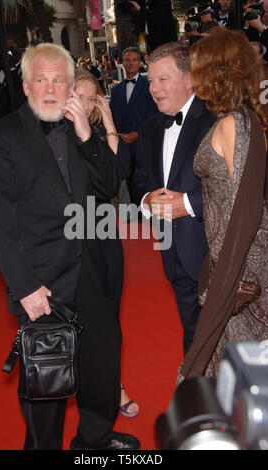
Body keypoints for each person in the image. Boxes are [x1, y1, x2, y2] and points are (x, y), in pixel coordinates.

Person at [0, 43, 140, 451]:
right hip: (42, 282)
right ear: (27, 85)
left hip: (93, 268)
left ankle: (95, 439)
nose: (50, 89)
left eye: (58, 80)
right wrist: (24, 287)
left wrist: (88, 135)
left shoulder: (80, 128)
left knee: (102, 364)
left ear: (70, 85)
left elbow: (107, 187)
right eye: (41, 80)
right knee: (45, 380)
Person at [177, 28, 268, 383]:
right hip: (235, 264)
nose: (193, 77)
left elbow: (242, 212)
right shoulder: (243, 118)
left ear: (218, 71)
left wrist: (225, 286)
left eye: (197, 68)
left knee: (243, 378)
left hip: (243, 271)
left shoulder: (236, 124)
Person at [133, 42, 215, 355]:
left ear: (189, 79)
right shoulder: (149, 128)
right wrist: (146, 201)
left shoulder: (216, 119)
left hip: (216, 253)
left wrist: (188, 204)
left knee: (228, 339)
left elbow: (236, 184)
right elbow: (140, 178)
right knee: (193, 337)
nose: (154, 89)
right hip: (175, 256)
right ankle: (199, 396)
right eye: (150, 80)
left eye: (162, 79)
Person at [73, 68, 139, 418]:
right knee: (82, 320)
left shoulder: (96, 136)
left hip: (105, 233)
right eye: (79, 97)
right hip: (74, 239)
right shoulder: (60, 141)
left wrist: (109, 118)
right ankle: (84, 382)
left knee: (110, 316)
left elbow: (116, 175)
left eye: (91, 98)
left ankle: (114, 385)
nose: (85, 105)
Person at [109, 46, 158, 203]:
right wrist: (117, 136)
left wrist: (138, 134)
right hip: (122, 147)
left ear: (140, 62)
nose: (130, 63)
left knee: (143, 187)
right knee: (126, 188)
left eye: (134, 60)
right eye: (127, 60)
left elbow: (154, 114)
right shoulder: (116, 90)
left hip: (142, 146)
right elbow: (112, 116)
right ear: (122, 63)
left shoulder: (149, 86)